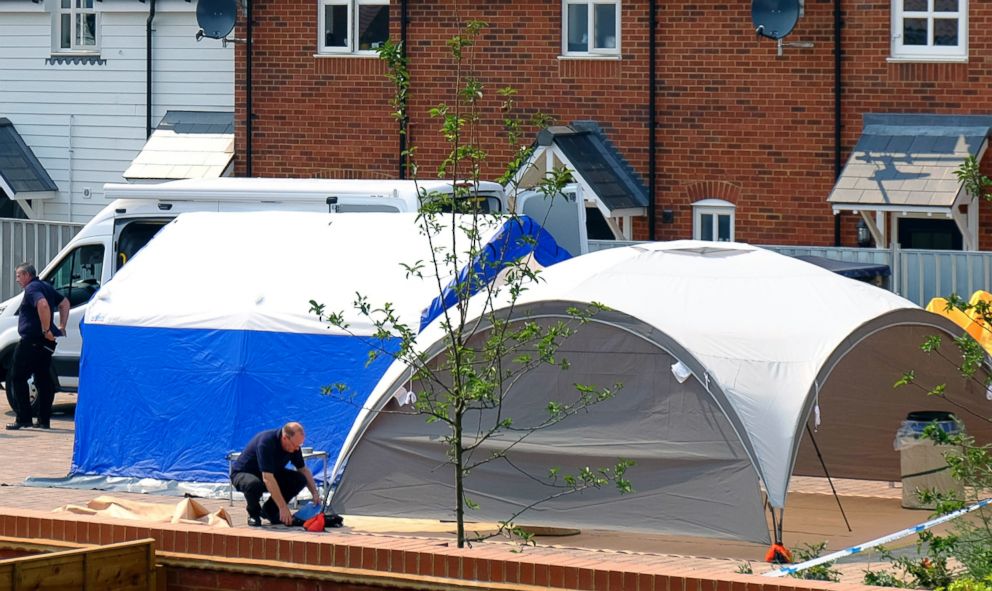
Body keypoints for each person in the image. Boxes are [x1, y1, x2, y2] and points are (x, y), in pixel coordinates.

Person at [6, 263, 68, 431]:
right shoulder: (46, 286)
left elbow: (43, 305)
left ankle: (24, 418)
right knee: (43, 379)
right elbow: (65, 303)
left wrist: (46, 328)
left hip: (32, 341)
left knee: (17, 377)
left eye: (19, 276)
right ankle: (43, 420)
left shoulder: (32, 289)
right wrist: (61, 326)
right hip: (46, 343)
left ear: (27, 275)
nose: (17, 280)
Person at [230, 422, 320, 527]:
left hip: (270, 473)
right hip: (244, 473)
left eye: (299, 446)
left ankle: (270, 511)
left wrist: (314, 493)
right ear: (285, 438)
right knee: (253, 484)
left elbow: (303, 470)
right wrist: (283, 507)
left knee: (299, 479)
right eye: (295, 445)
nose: (297, 449)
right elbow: (267, 478)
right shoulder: (266, 442)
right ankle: (253, 514)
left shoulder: (294, 447)